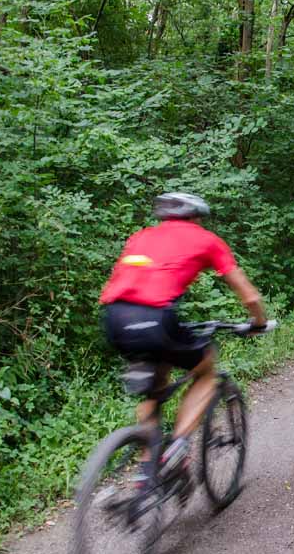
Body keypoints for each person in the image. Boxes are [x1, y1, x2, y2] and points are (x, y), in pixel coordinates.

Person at [99, 192, 267, 484]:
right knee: (205, 369)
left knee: (154, 387)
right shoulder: (205, 239)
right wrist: (258, 322)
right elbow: (248, 293)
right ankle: (176, 448)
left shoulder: (140, 237)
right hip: (156, 319)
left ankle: (147, 470)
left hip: (115, 319)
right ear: (195, 217)